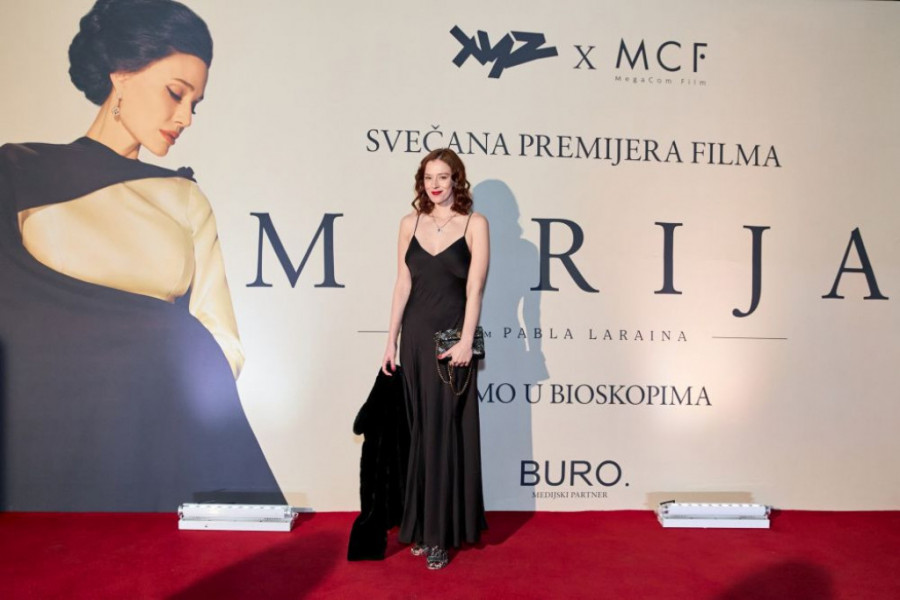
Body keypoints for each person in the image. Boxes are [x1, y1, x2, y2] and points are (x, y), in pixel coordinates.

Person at [0, 0, 282, 511]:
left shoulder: (184, 198)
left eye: (195, 104)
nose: (185, 118)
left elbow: (221, 340)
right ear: (122, 74)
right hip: (43, 443)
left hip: (153, 447)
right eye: (176, 93)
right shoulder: (18, 171)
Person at [381, 148, 490, 569]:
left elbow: (475, 288)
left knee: (445, 433)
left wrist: (466, 341)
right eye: (429, 177)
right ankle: (422, 526)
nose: (435, 184)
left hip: (450, 341)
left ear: (456, 179)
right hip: (413, 339)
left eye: (443, 176)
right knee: (421, 434)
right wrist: (390, 341)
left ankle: (440, 534)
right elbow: (402, 284)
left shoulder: (475, 224)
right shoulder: (409, 223)